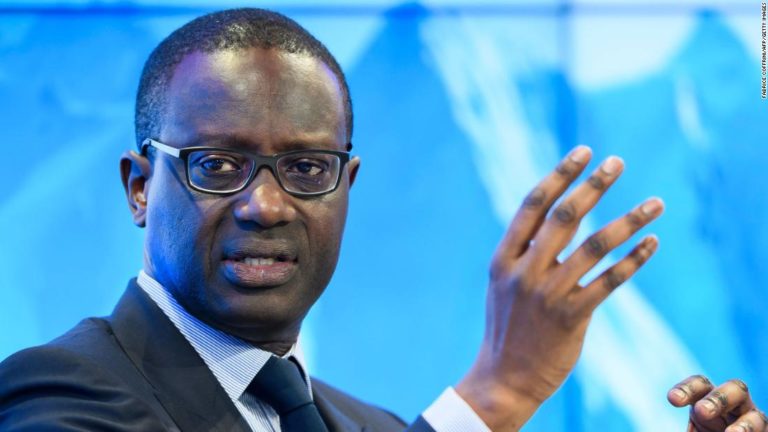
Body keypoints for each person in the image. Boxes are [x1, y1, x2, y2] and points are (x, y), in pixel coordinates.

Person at [0, 7, 763, 432]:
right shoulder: (56, 396)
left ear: (347, 185)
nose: (266, 205)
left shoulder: (369, 427)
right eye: (219, 165)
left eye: (307, 169)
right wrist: (499, 391)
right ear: (140, 187)